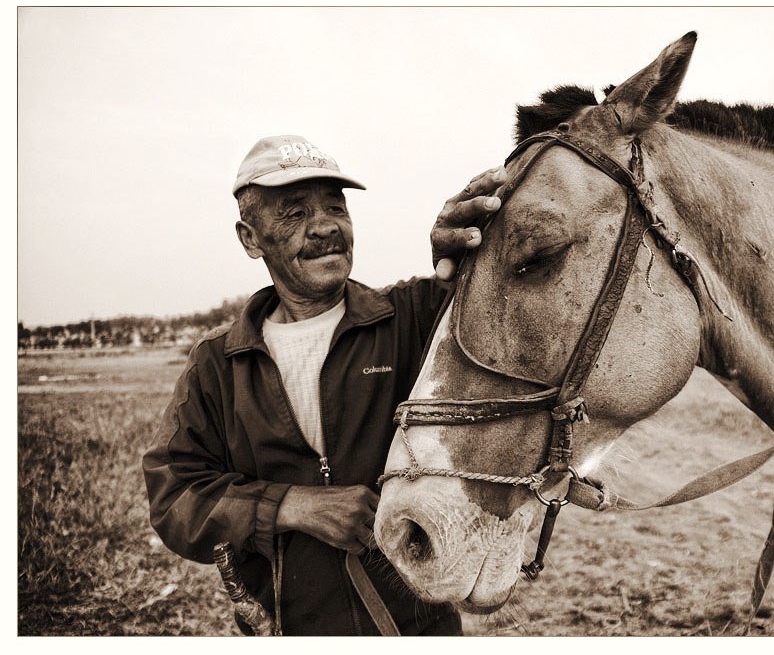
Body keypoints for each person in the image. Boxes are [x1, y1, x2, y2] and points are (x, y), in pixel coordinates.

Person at [142, 135, 504, 636]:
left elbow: (504, 303)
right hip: (287, 630)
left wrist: (476, 251)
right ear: (250, 238)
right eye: (294, 213)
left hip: (416, 627)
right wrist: (292, 507)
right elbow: (175, 497)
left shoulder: (414, 317)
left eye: (337, 207)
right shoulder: (217, 364)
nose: (326, 227)